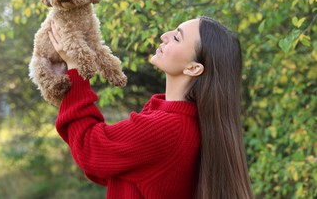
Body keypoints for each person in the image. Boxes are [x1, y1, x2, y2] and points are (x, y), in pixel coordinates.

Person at [48, 16, 254, 198]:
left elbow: (90, 148)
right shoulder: (181, 120)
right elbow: (108, 168)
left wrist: (75, 69)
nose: (165, 35)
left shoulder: (168, 129)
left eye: (177, 37)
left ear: (193, 68)